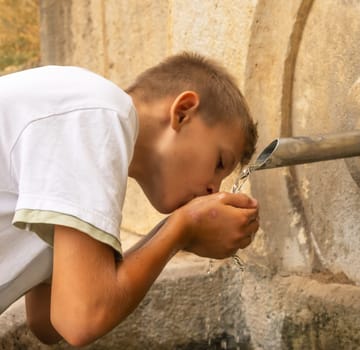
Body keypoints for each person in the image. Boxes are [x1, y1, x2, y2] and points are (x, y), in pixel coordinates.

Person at [0, 52, 260, 346]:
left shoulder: (73, 159)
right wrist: (184, 227)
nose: (215, 189)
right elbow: (81, 319)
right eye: (219, 163)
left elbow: (48, 322)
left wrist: (176, 229)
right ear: (183, 112)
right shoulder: (97, 112)